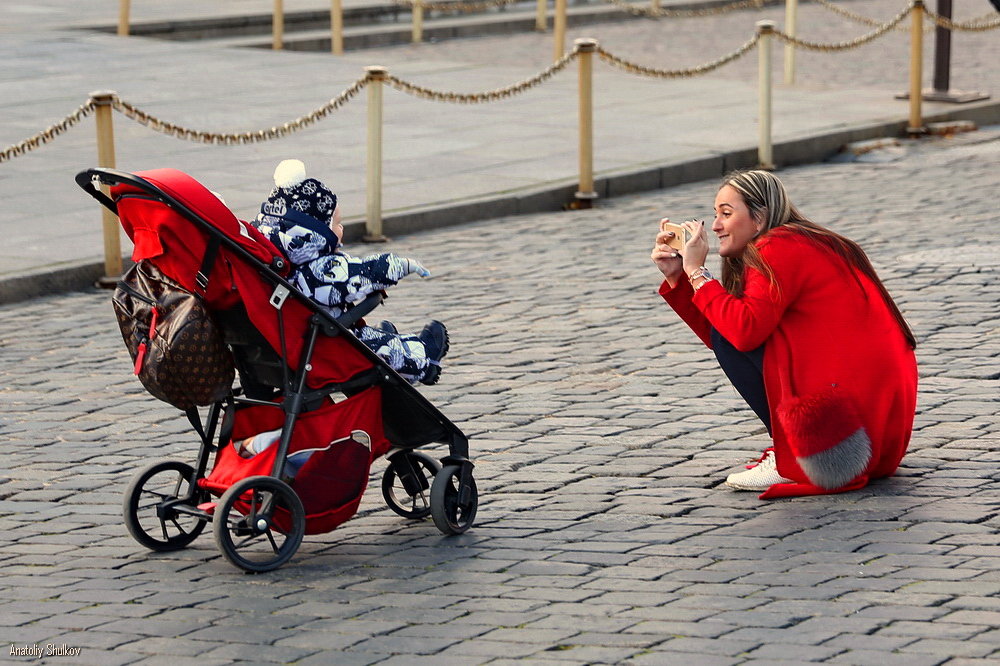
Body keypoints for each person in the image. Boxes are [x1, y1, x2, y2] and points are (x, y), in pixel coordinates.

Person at [651, 170, 917, 499]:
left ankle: (792, 459)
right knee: (734, 329)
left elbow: (743, 334)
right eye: (715, 214)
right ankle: (793, 451)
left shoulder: (778, 247)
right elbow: (728, 334)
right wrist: (680, 276)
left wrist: (697, 272)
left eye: (726, 214)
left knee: (740, 329)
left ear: (759, 217)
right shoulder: (799, 240)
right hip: (868, 432)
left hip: (844, 440)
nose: (716, 226)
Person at [253, 159, 448, 385]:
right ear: (314, 231)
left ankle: (388, 338)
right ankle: (423, 359)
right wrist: (400, 265)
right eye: (336, 224)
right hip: (322, 348)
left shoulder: (278, 258)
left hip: (286, 341)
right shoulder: (317, 270)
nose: (341, 229)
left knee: (369, 337)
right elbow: (359, 273)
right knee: (374, 348)